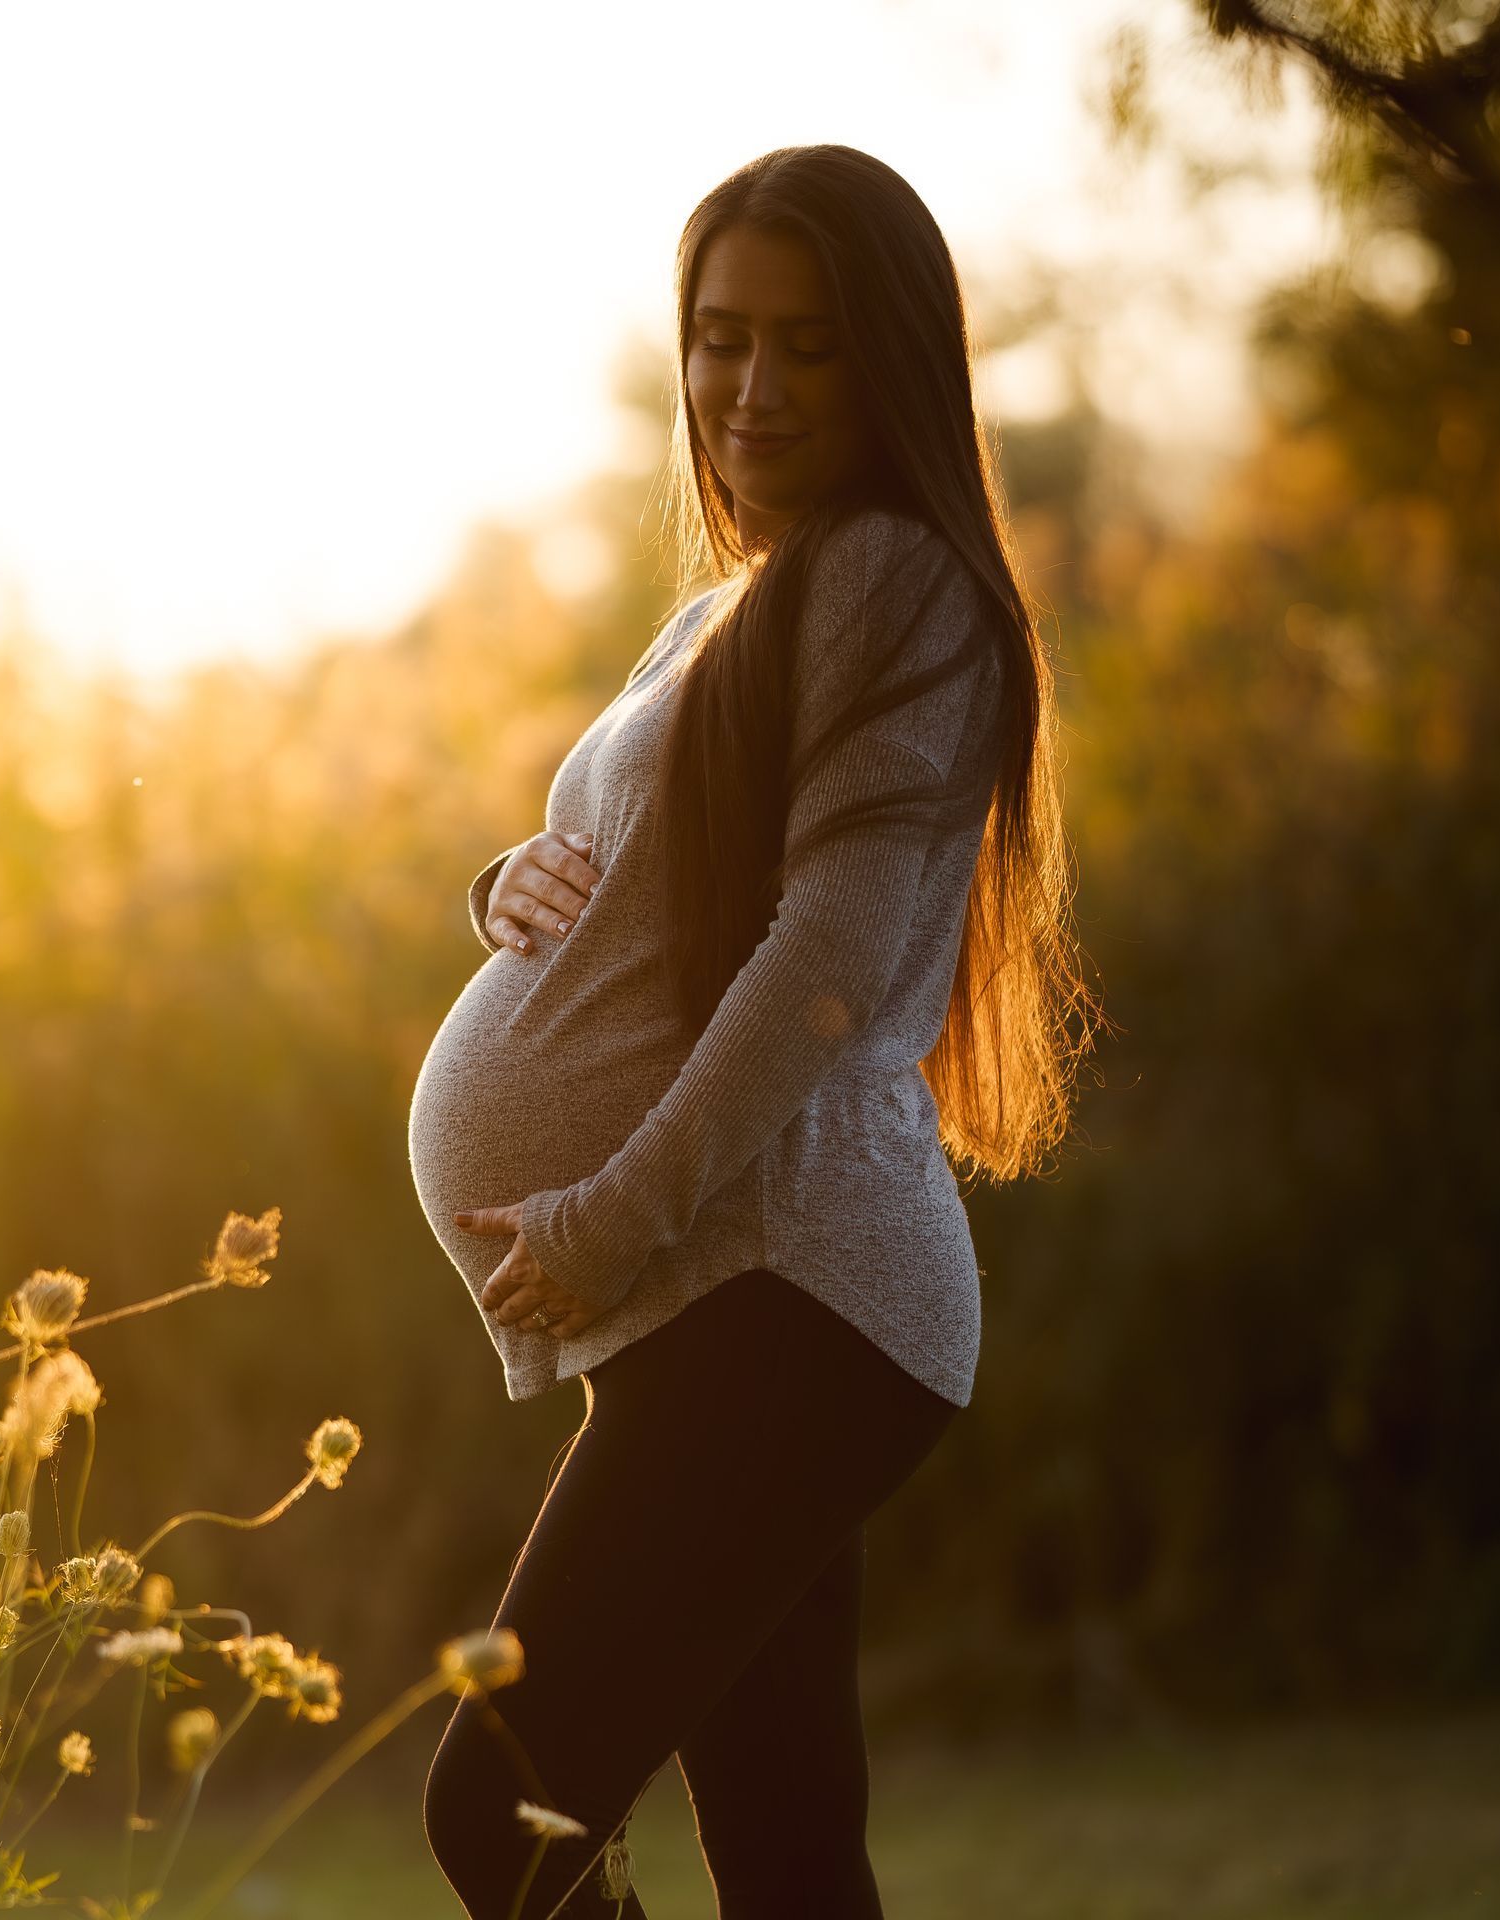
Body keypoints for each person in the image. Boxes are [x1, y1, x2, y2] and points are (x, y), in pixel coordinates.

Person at [408, 142, 1098, 1918]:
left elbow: (832, 958)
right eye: (720, 339)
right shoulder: (744, 596)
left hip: (783, 1287)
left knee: (504, 1819)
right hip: (741, 1295)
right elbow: (655, 874)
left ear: (893, 363)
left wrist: (611, 1214)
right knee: (793, 1854)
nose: (752, 386)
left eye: (808, 345)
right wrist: (516, 885)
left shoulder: (891, 577)